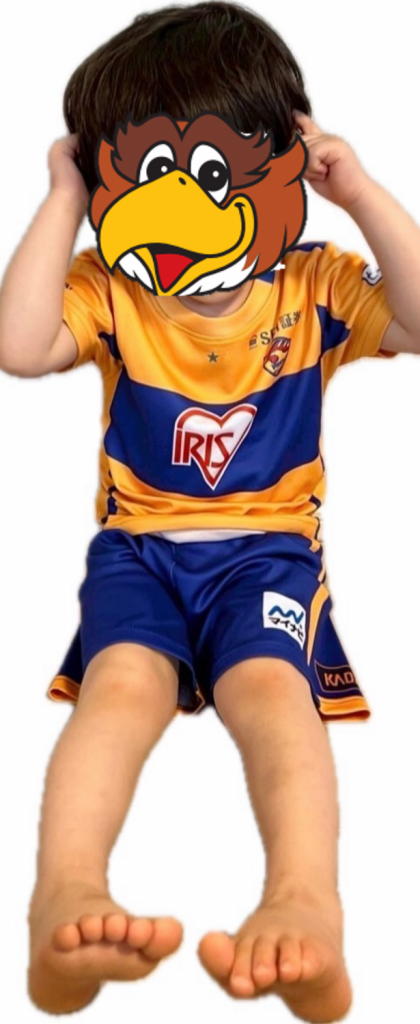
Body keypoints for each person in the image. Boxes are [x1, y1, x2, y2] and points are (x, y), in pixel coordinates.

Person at [1, 2, 419, 1020]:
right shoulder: (112, 291)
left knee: (274, 697)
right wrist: (61, 195)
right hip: (138, 553)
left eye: (212, 174)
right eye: (143, 175)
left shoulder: (314, 287)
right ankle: (63, 897)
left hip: (267, 557)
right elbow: (19, 346)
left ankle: (308, 907)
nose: (178, 205)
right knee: (119, 693)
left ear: (285, 164)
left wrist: (360, 192)